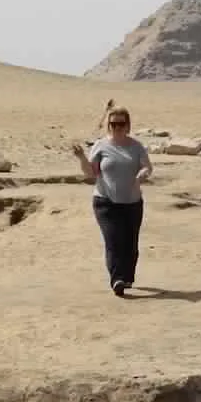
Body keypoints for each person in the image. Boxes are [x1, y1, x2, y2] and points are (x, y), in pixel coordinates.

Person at [71, 103, 153, 296]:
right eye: (113, 124)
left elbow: (148, 167)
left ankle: (127, 277)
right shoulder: (101, 145)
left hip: (132, 203)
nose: (117, 127)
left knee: (130, 244)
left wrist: (142, 175)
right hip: (105, 202)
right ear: (108, 125)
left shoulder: (136, 146)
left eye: (121, 124)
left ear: (128, 125)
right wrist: (82, 157)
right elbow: (91, 173)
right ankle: (117, 279)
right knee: (113, 239)